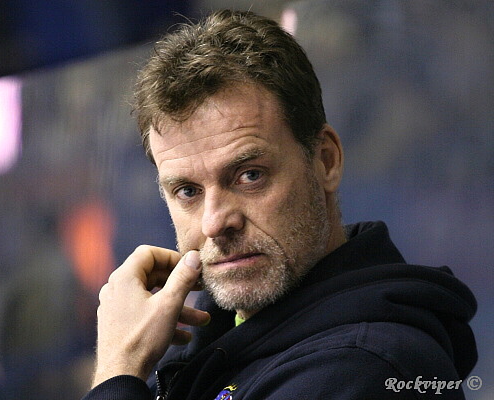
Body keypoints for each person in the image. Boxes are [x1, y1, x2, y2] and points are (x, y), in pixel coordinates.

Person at [82, 9, 477, 400]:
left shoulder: (360, 370)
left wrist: (119, 369)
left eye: (249, 175)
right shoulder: (214, 338)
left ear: (325, 161)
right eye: (188, 191)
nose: (214, 222)